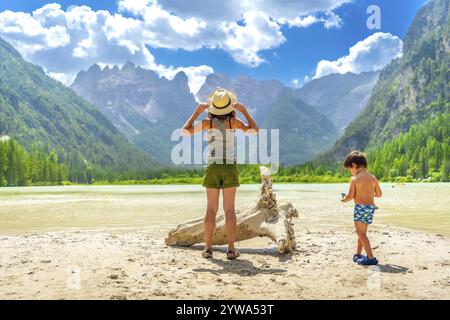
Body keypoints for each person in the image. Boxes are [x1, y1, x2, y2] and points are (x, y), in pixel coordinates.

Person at [182, 88, 259, 260]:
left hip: (212, 167)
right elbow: (255, 130)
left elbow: (185, 131)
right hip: (229, 166)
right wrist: (245, 111)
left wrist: (196, 112)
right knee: (229, 210)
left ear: (213, 108)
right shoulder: (234, 122)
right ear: (229, 107)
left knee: (211, 209)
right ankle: (231, 249)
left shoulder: (206, 123)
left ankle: (208, 249)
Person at [341, 150, 382, 266]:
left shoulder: (354, 179)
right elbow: (379, 194)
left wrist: (344, 199)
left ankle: (370, 258)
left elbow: (350, 196)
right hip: (370, 208)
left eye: (349, 169)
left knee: (360, 233)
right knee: (362, 233)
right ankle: (358, 254)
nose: (350, 172)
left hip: (360, 208)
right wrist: (368, 194)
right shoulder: (373, 178)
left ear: (353, 165)